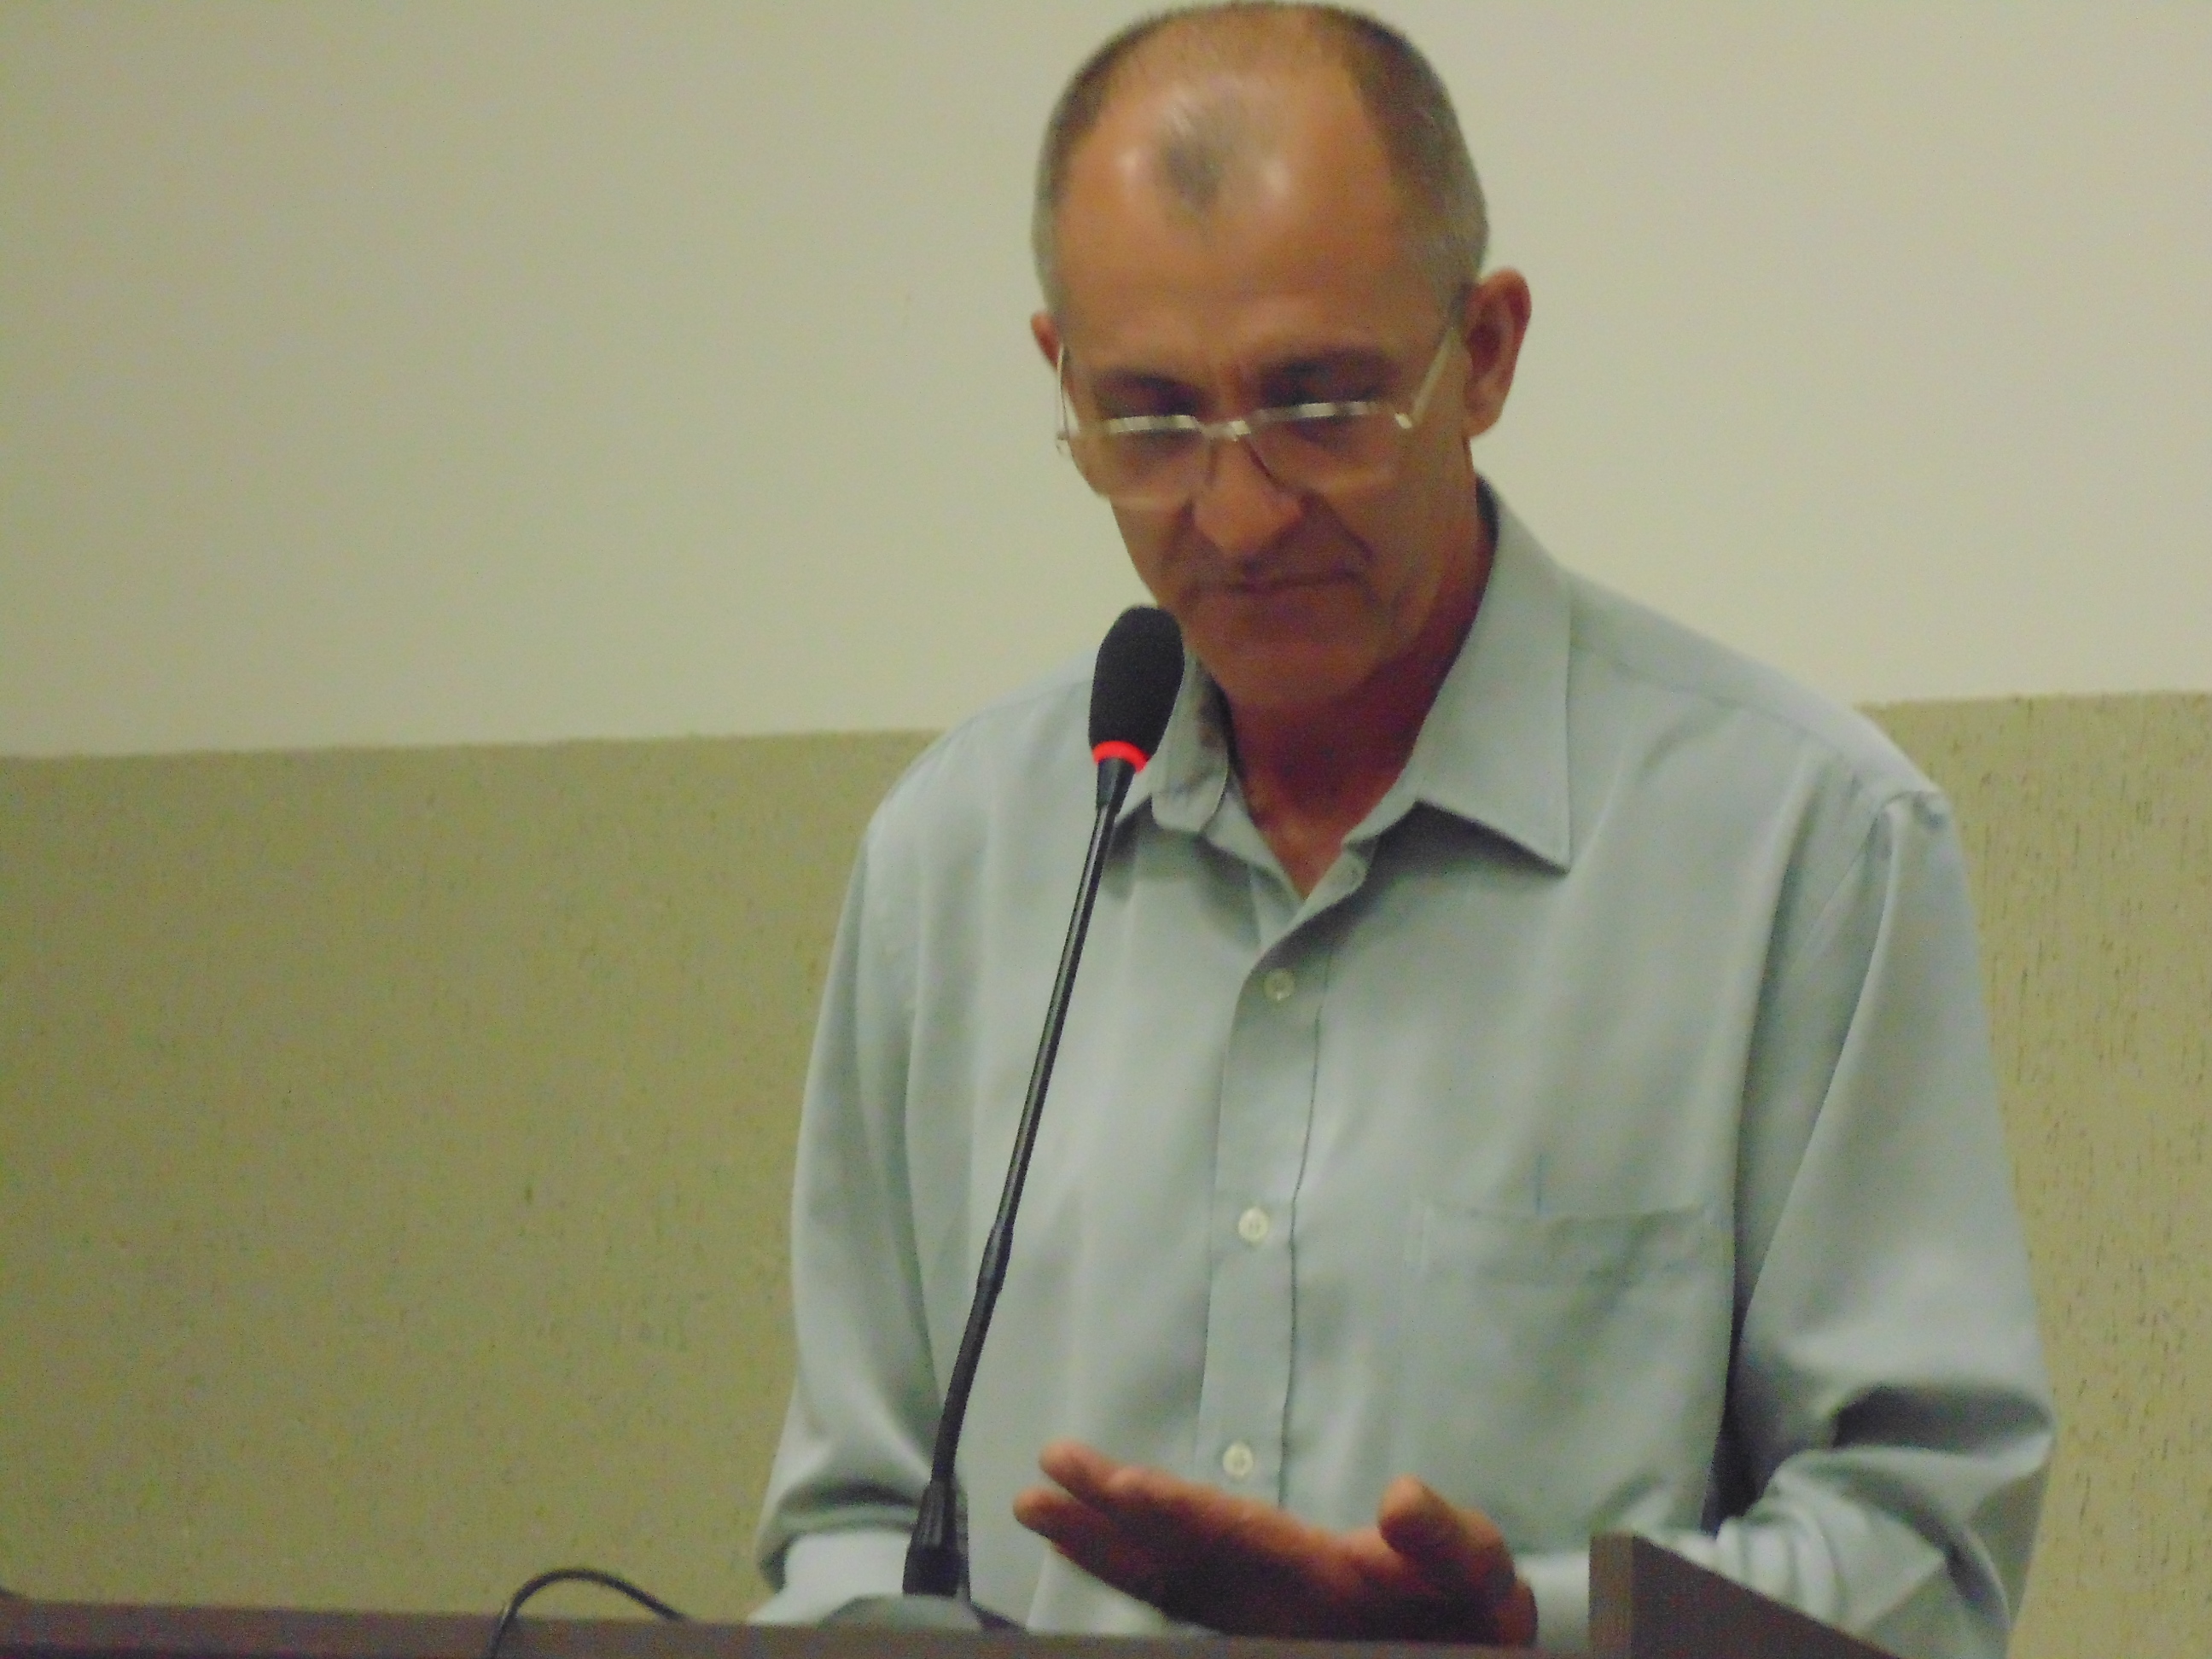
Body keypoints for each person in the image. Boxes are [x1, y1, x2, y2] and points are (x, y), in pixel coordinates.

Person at [753, 5, 2053, 1654]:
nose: (1238, 515)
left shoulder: (1798, 850)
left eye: (1320, 405)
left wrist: (1527, 1633)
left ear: (1486, 353)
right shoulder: (960, 859)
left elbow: (1922, 1561)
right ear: (1057, 379)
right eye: (1150, 420)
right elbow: (855, 1524)